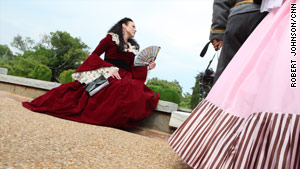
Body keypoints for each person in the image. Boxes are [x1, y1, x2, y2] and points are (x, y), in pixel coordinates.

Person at [168, 0, 299, 168]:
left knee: (227, 82)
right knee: (256, 83)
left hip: (243, 14)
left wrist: (218, 30)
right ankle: (244, 151)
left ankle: (210, 149)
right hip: (268, 14)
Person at [23, 17, 160, 129]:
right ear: (124, 26)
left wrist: (147, 68)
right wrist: (109, 68)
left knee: (137, 89)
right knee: (117, 87)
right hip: (110, 73)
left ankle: (122, 121)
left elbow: (131, 68)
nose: (135, 29)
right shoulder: (110, 39)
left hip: (126, 75)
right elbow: (94, 55)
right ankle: (111, 120)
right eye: (133, 26)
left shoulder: (133, 47)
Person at [210, 0, 267, 83]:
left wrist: (218, 31)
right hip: (265, 15)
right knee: (263, 72)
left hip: (237, 18)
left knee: (226, 74)